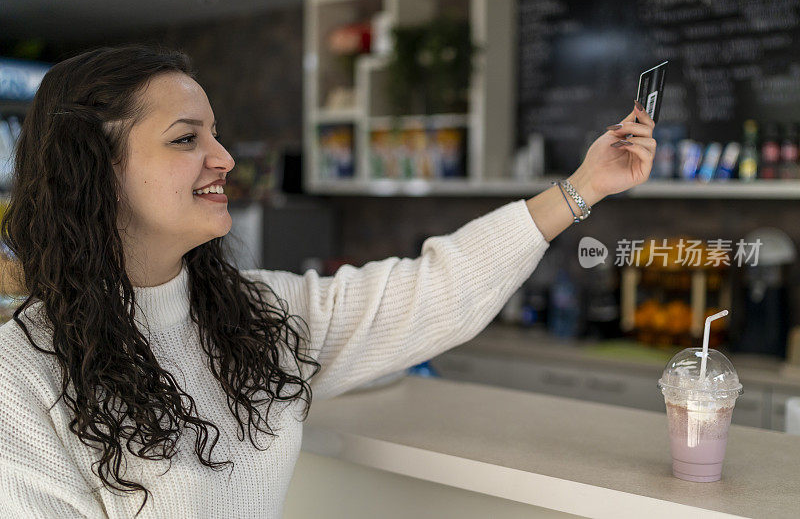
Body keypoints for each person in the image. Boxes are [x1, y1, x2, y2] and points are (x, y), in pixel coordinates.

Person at [0, 44, 655, 518]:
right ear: (96, 171)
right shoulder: (24, 371)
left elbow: (434, 290)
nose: (224, 158)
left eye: (216, 134)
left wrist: (583, 187)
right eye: (185, 139)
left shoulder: (253, 316)